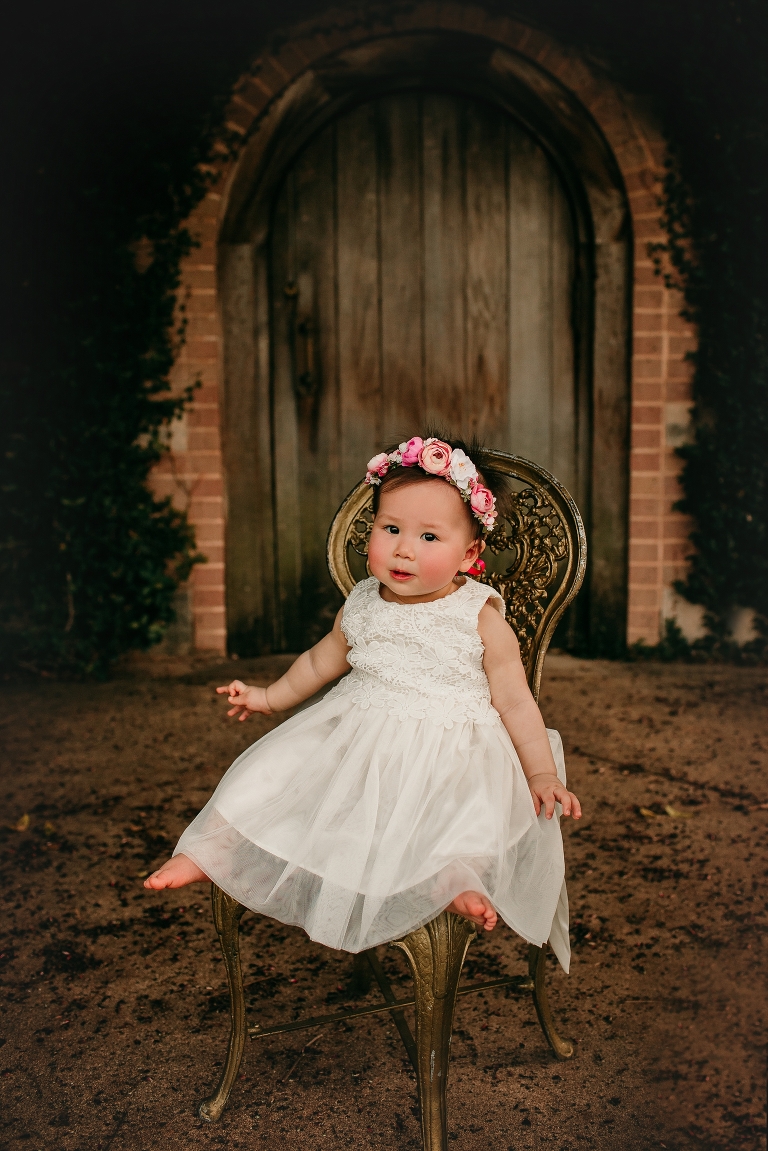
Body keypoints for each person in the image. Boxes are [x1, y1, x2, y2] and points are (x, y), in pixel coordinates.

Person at [145, 435, 581, 970]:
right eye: (391, 529)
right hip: (358, 731)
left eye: (428, 536)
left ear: (469, 554)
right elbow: (318, 662)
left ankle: (454, 880)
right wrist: (266, 697)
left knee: (461, 811)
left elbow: (515, 703)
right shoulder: (363, 602)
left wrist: (539, 773)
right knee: (274, 773)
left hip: (446, 750)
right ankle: (216, 850)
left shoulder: (479, 615)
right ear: (370, 530)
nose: (404, 549)